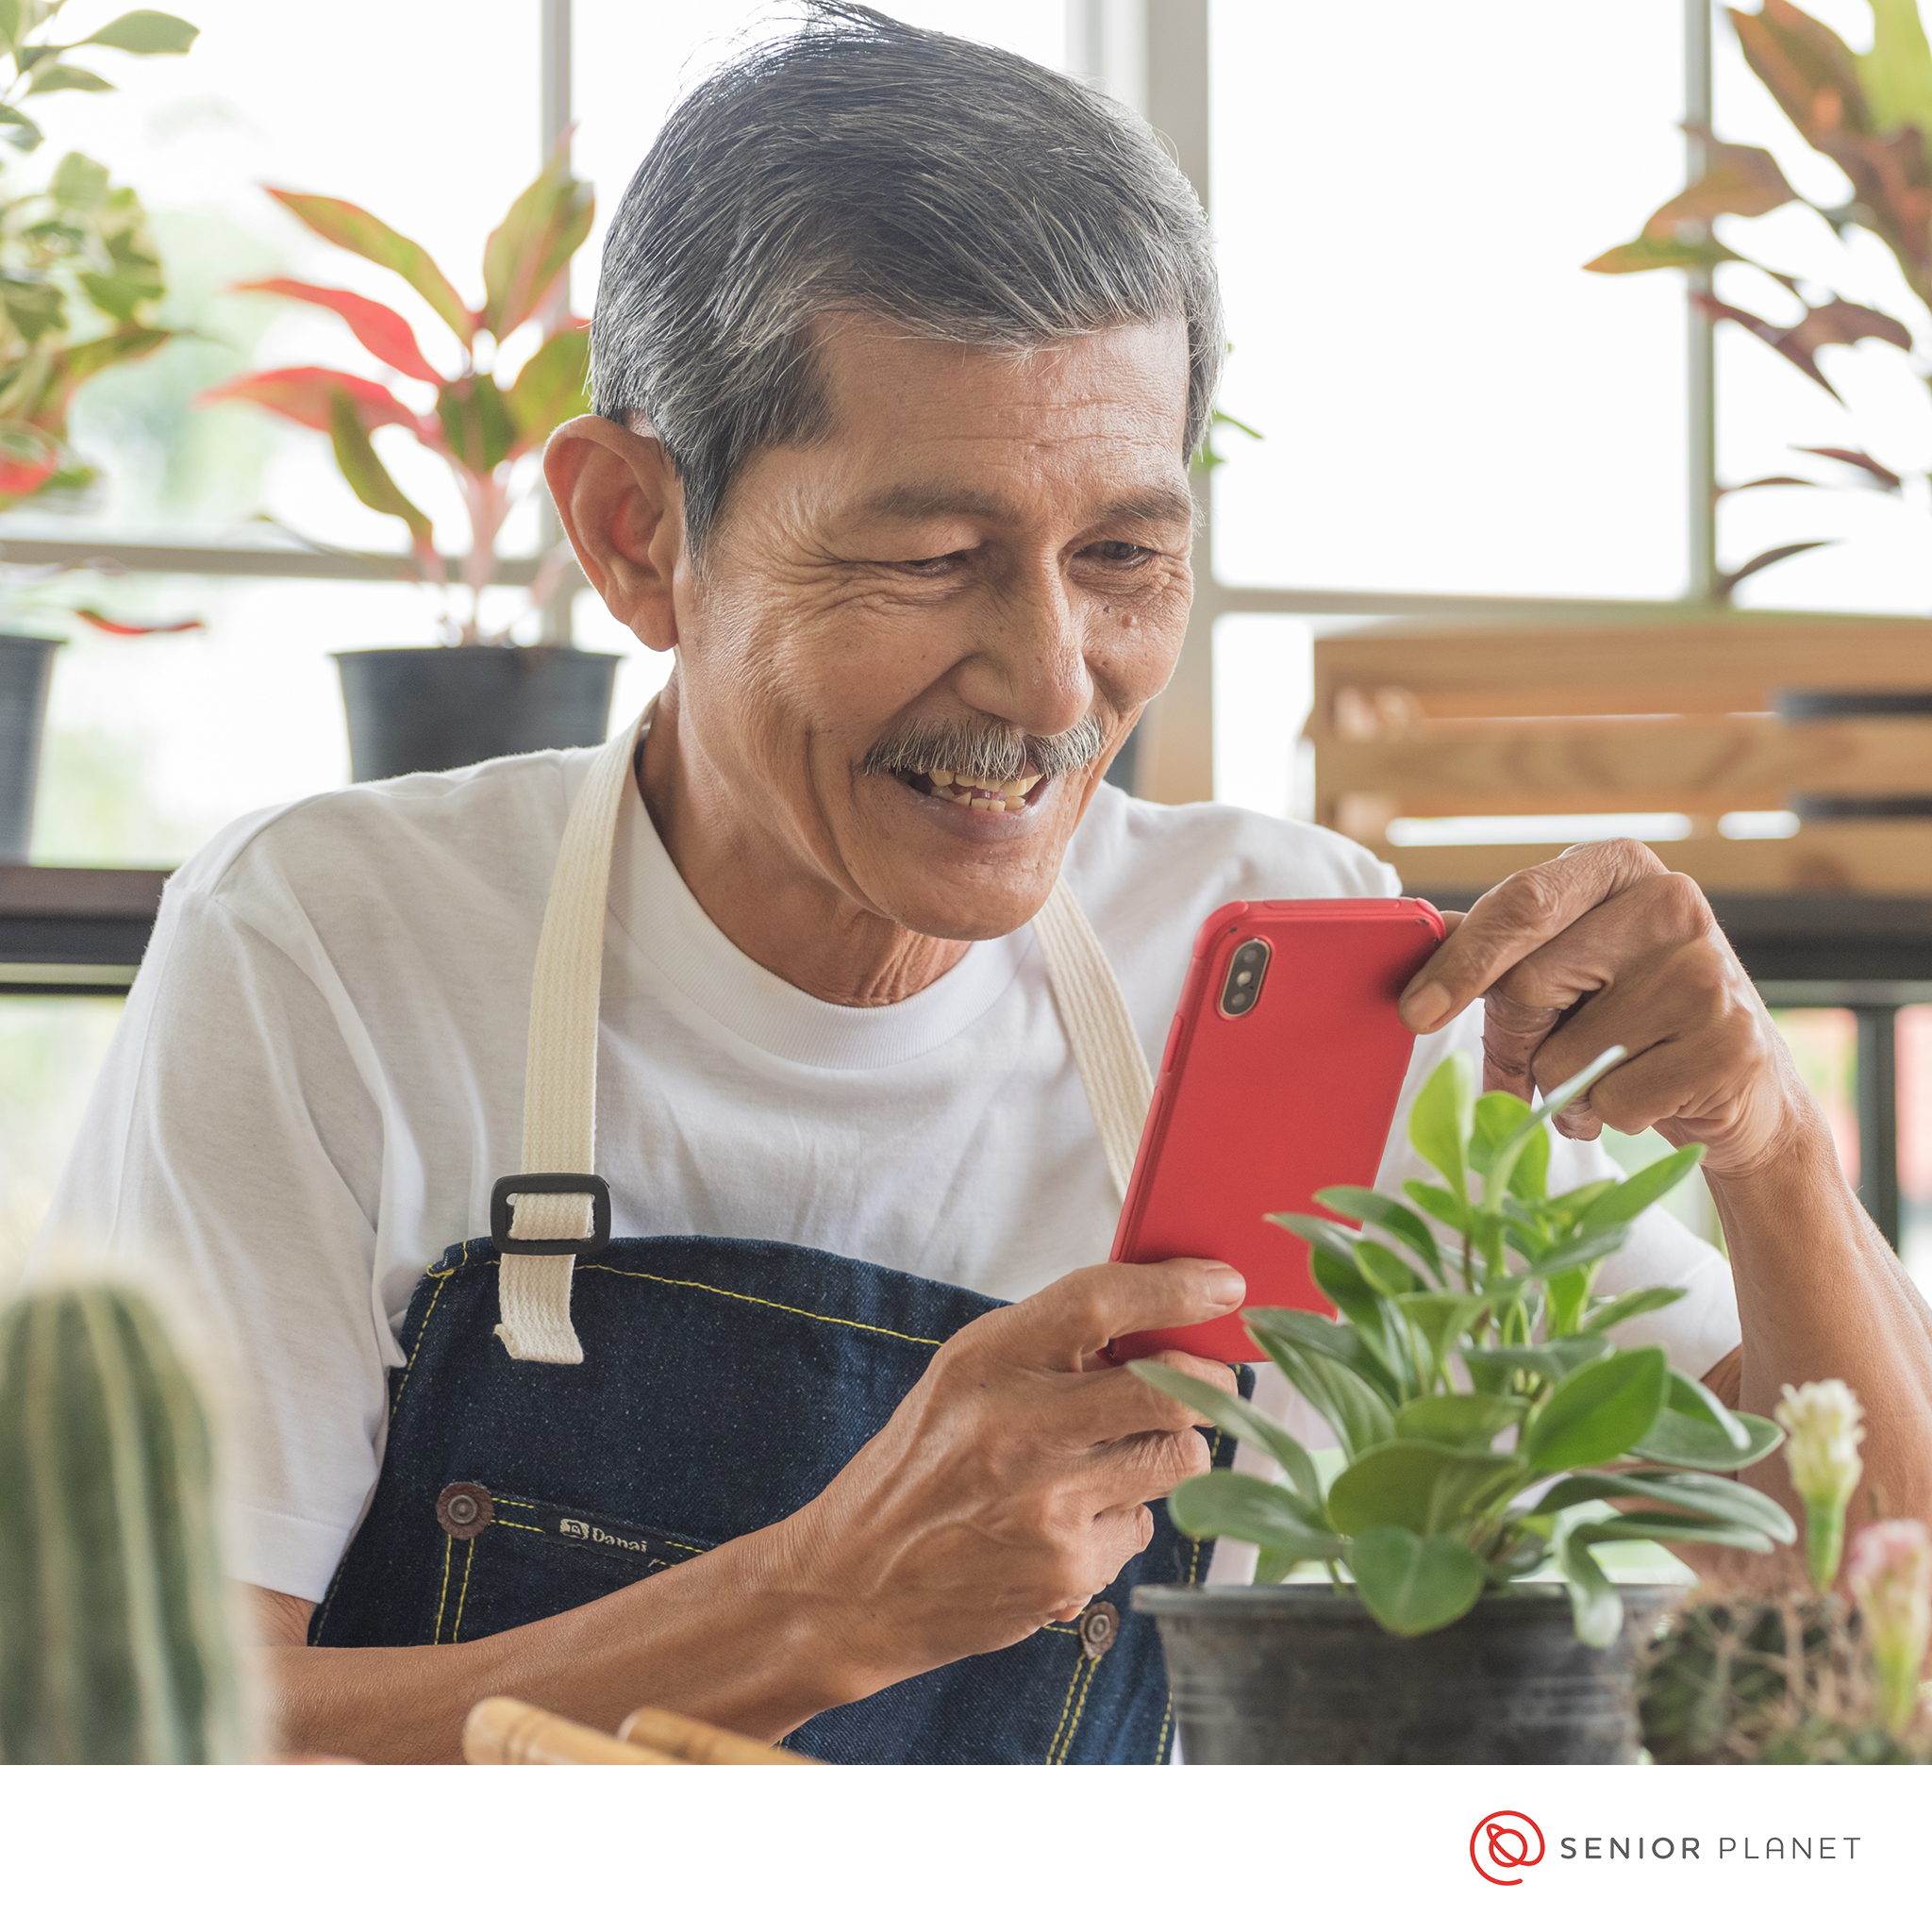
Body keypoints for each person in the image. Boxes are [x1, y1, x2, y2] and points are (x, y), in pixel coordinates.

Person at [42, 4, 1932, 1764]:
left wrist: (1763, 1147)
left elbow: (1854, 1614)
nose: (1050, 684)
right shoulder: (332, 947)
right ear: (634, 535)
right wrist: (806, 1606)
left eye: (1120, 553)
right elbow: (129, 1757)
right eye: (934, 553)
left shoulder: (1302, 970)